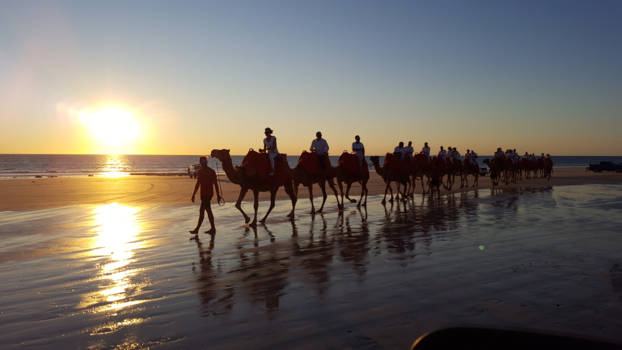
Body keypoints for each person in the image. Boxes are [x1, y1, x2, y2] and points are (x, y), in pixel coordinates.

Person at [190, 156, 222, 235]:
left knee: (202, 211)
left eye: (204, 161)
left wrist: (218, 195)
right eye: (202, 162)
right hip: (203, 194)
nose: (203, 163)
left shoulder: (211, 171)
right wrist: (193, 194)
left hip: (208, 194)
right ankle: (213, 228)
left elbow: (216, 184)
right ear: (200, 162)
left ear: (206, 162)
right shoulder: (200, 172)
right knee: (208, 211)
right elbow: (198, 184)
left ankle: (197, 229)